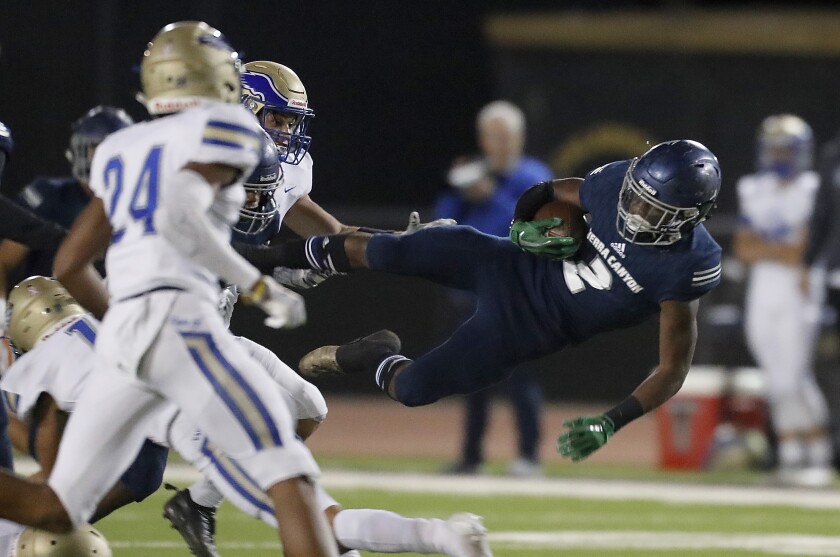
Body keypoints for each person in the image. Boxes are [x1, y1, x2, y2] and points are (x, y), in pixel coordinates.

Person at [0, 21, 337, 557]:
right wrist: (259, 286)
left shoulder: (122, 149)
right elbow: (184, 214)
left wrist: (124, 322)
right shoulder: (232, 137)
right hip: (187, 332)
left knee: (57, 505)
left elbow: (70, 263)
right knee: (288, 482)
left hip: (129, 339)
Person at [240, 139, 723, 460]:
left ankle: (375, 353)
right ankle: (250, 257)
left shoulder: (687, 265)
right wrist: (523, 225)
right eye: (637, 196)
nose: (635, 210)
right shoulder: (618, 182)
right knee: (385, 249)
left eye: (653, 209)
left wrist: (611, 422)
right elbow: (547, 191)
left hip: (526, 328)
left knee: (412, 390)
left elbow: (671, 370)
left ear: (691, 216)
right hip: (506, 262)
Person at [1, 278, 491, 557]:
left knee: (314, 520)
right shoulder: (106, 318)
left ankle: (441, 535)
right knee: (309, 503)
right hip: (233, 378)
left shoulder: (43, 363)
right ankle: (442, 536)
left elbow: (41, 447)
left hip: (205, 419)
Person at [436, 100, 552, 477]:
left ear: (519, 139)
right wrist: (460, 191)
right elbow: (443, 222)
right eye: (493, 136)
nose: (499, 144)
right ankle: (471, 457)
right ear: (483, 139)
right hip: (474, 293)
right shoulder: (472, 174)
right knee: (473, 378)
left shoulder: (534, 176)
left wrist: (490, 196)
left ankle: (529, 455)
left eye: (506, 136)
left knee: (521, 379)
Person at [734, 114, 833, 486]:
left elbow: (801, 251)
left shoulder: (814, 188)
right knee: (775, 375)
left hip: (801, 285)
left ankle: (810, 454)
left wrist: (769, 247)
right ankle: (800, 455)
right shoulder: (753, 188)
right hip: (764, 287)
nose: (778, 155)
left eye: (785, 148)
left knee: (792, 376)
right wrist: (778, 248)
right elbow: (744, 247)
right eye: (773, 147)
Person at [0, 106, 133, 292]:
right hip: (52, 311)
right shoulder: (50, 194)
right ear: (81, 149)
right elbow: (4, 260)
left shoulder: (141, 199)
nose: (110, 155)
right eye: (100, 146)